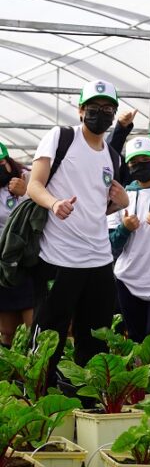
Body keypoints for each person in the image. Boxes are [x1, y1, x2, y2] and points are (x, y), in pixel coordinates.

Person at [27, 80, 129, 382]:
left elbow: (96, 209)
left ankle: (88, 401)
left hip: (98, 259)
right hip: (59, 258)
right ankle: (37, 396)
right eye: (95, 108)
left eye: (108, 109)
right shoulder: (61, 138)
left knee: (95, 337)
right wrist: (54, 203)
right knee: (49, 334)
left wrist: (119, 204)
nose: (101, 113)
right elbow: (35, 185)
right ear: (81, 109)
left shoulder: (112, 157)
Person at [108, 137, 150, 343]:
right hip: (128, 280)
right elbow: (110, 246)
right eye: (134, 162)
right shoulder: (121, 198)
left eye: (144, 160)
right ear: (128, 165)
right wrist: (124, 229)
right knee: (135, 338)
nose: (139, 165)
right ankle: (138, 375)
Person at [0, 142, 32, 346]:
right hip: (3, 266)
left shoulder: (27, 178)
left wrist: (25, 193)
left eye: (1, 162)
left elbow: (44, 211)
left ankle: (41, 372)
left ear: (9, 161)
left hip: (28, 263)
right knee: (7, 330)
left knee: (34, 325)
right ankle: (10, 375)